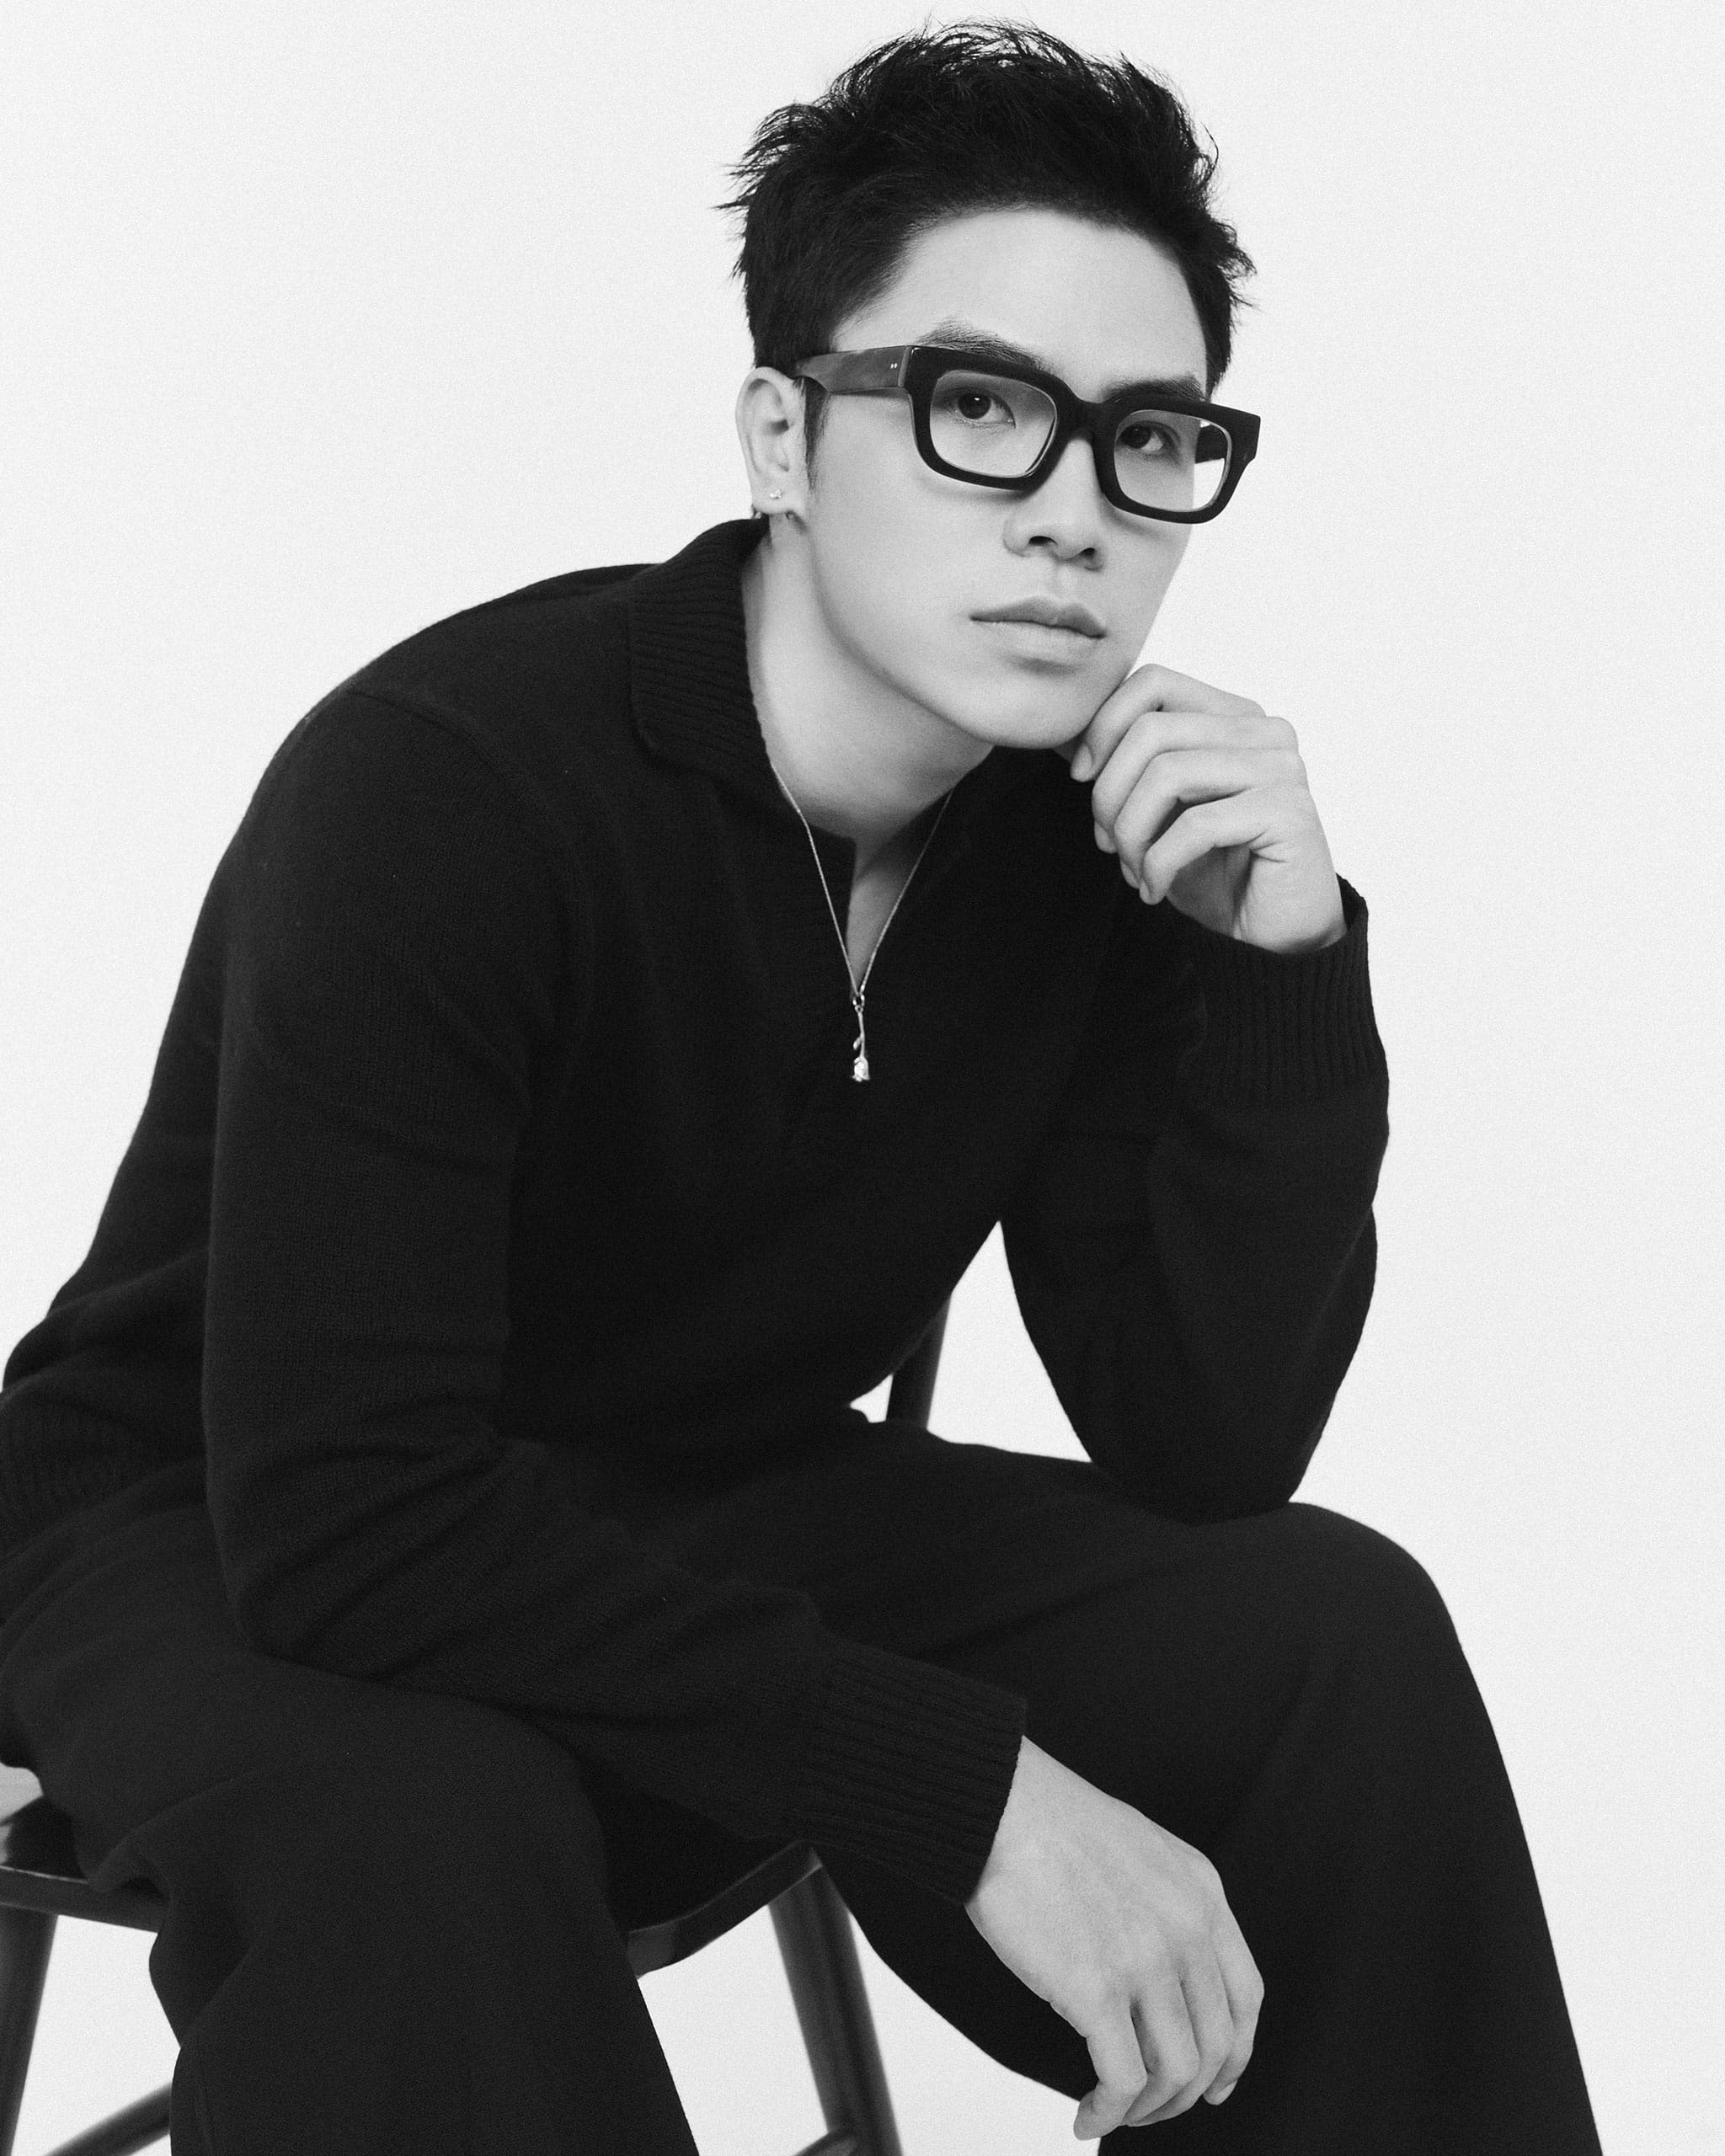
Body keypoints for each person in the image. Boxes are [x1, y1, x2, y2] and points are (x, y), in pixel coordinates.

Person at [0, 21, 1601, 2153]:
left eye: (1147, 437)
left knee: (1326, 1631)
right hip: (208, 1507)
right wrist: (969, 1789)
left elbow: (1203, 1440)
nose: (1074, 515)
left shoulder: (1090, 836)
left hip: (692, 1483)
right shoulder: (450, 783)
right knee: (427, 1825)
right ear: (783, 435)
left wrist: (1278, 970)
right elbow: (348, 1520)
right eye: (979, 408)